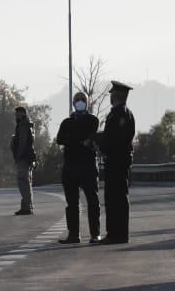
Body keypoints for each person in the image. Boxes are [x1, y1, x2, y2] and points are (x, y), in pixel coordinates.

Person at [56, 92, 101, 244]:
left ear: (87, 103)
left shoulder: (93, 120)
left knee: (92, 201)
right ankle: (73, 234)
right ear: (73, 103)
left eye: (83, 100)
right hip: (70, 166)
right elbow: (60, 139)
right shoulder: (66, 122)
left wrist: (72, 139)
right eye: (77, 100)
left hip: (88, 165)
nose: (80, 102)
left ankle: (95, 234)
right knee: (72, 203)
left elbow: (88, 135)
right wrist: (80, 141)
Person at [94, 81, 136, 244]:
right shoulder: (118, 114)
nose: (110, 97)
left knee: (117, 198)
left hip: (118, 160)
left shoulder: (121, 115)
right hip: (115, 160)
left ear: (117, 96)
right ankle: (114, 233)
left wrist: (101, 143)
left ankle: (118, 234)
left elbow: (115, 139)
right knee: (112, 197)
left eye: (112, 94)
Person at [11, 106, 37, 215]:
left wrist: (18, 156)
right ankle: (27, 206)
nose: (16, 116)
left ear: (22, 114)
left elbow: (22, 143)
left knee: (23, 182)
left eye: (17, 114)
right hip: (28, 157)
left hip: (24, 158)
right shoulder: (28, 124)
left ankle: (26, 207)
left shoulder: (23, 126)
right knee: (26, 182)